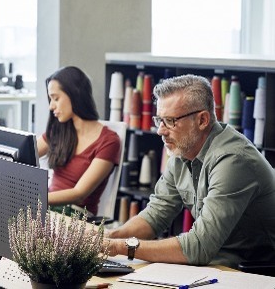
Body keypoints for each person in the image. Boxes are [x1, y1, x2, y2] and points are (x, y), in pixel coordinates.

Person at [107, 74, 275, 267]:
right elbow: (156, 215)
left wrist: (120, 247)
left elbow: (198, 247)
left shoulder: (234, 161)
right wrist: (109, 237)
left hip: (255, 270)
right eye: (159, 120)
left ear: (202, 120)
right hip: (217, 263)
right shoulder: (181, 152)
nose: (160, 130)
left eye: (170, 121)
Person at [37, 66, 121, 216]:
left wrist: (36, 199)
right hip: (48, 210)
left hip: (77, 216)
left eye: (56, 98)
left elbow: (79, 193)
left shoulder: (109, 141)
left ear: (74, 94)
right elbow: (25, 153)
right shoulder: (59, 131)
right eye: (51, 99)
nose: (51, 106)